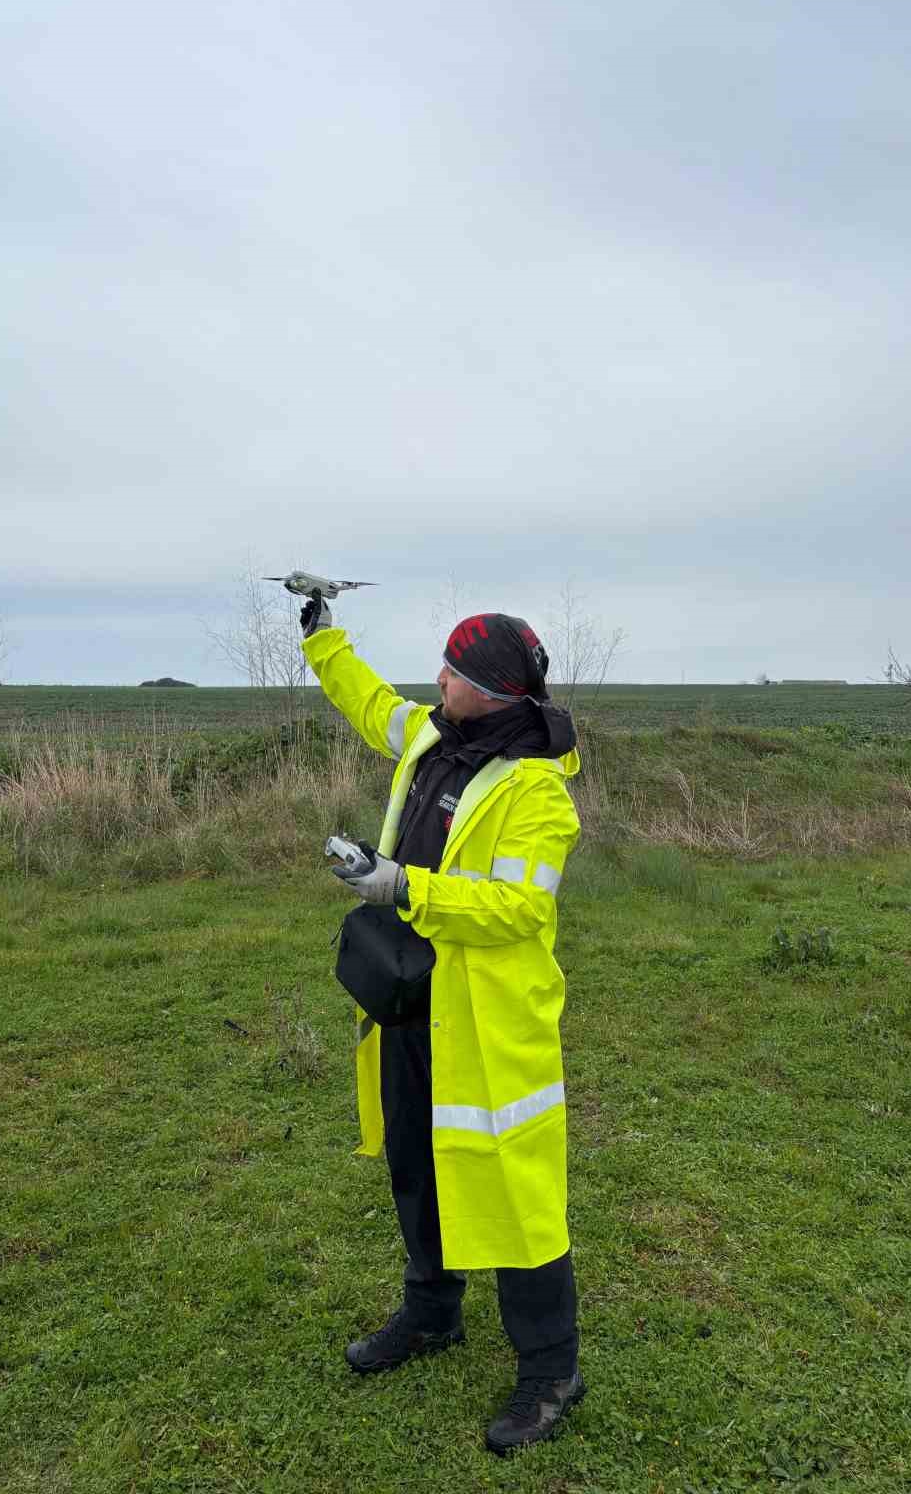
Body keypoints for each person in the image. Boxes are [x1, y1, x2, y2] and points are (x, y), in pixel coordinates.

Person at [301, 594, 585, 1456]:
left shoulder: (538, 794)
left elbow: (514, 909)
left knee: (519, 1197)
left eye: (453, 672)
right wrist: (322, 639)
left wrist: (402, 888)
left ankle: (551, 1373)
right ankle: (431, 1314)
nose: (438, 680)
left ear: (494, 691)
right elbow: (371, 705)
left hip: (488, 1027)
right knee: (413, 1161)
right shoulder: (433, 734)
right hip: (408, 1003)